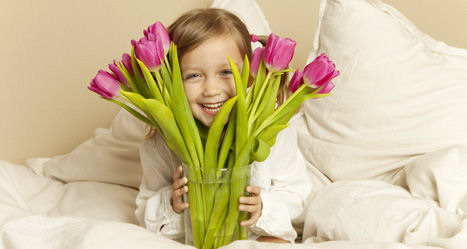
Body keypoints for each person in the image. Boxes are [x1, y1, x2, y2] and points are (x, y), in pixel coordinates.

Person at [135, 8, 311, 244]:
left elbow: (298, 196)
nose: (211, 90)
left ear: (250, 75)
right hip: (197, 239)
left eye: (226, 72)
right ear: (171, 80)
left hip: (256, 235)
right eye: (193, 76)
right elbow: (143, 208)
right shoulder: (160, 142)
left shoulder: (275, 130)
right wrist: (171, 203)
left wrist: (263, 207)